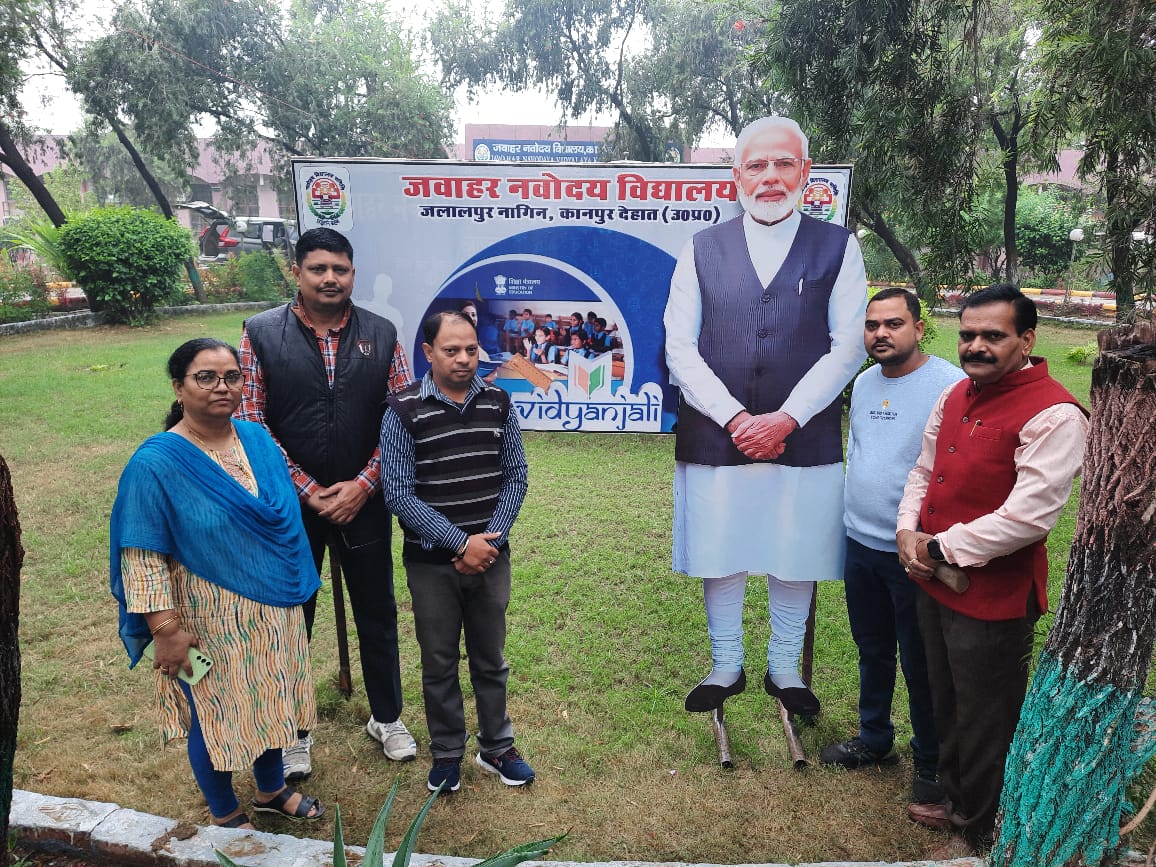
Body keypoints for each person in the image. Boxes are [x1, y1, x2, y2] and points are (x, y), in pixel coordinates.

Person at [663, 115, 867, 719]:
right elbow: (679, 348)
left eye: (783, 164)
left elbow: (847, 346)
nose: (770, 177)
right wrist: (734, 419)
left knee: (794, 544)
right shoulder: (701, 248)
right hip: (713, 431)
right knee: (720, 545)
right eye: (757, 165)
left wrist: (785, 419)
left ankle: (784, 669)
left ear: (805, 172)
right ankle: (726, 664)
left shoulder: (838, 246)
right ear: (736, 177)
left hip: (803, 437)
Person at [897, 284, 1088, 857]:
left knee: (987, 715)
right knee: (944, 697)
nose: (975, 346)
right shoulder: (956, 394)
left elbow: (1028, 519)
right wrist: (908, 529)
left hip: (993, 597)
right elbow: (924, 469)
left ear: (1027, 340)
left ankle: (982, 830)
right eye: (968, 335)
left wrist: (937, 548)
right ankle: (956, 800)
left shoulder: (1055, 413)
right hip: (935, 581)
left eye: (993, 336)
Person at [110, 338, 324, 829]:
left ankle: (271, 789)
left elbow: (282, 522)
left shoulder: (258, 441)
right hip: (201, 622)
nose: (220, 387)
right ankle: (226, 813)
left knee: (275, 699)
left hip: (275, 610)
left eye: (231, 377)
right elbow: (141, 556)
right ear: (179, 388)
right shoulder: (156, 463)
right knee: (212, 716)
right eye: (205, 377)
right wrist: (165, 630)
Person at [236, 227, 417, 780]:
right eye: (318, 269)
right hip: (291, 505)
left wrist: (364, 483)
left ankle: (386, 717)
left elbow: (402, 419)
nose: (330, 278)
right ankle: (291, 729)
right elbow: (250, 420)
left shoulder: (382, 334)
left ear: (352, 274)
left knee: (378, 612)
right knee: (292, 615)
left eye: (339, 269)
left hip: (364, 499)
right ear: (298, 273)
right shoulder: (261, 333)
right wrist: (306, 489)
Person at [819, 289, 964, 814]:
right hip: (860, 543)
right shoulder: (862, 384)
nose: (881, 333)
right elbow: (861, 454)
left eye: (894, 323)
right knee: (872, 647)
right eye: (873, 325)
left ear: (919, 329)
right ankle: (874, 737)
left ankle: (930, 760)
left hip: (915, 553)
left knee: (920, 660)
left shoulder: (949, 384)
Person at [380, 310, 535, 794]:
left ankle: (497, 747)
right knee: (439, 661)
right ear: (428, 353)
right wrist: (459, 543)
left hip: (490, 557)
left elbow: (516, 475)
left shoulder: (498, 402)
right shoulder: (402, 410)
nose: (464, 359)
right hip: (432, 565)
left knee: (491, 659)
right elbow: (399, 494)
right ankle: (447, 751)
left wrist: (486, 541)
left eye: (471, 349)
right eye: (452, 350)